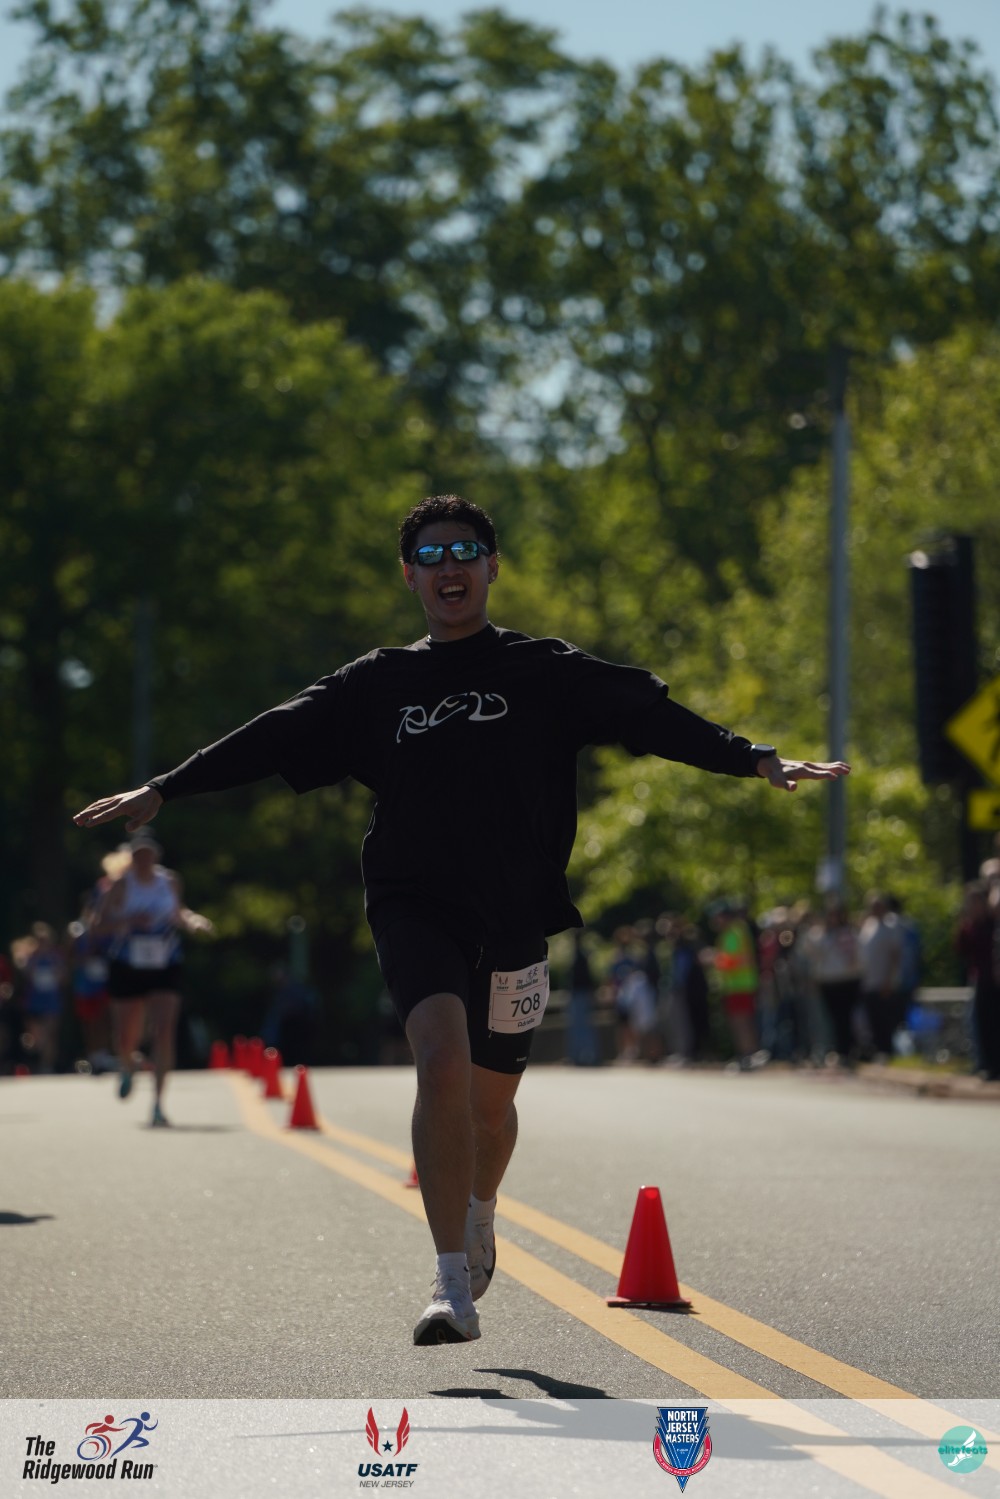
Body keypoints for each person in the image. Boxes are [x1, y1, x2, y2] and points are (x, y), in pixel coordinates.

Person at [73, 492, 850, 1345]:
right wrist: (166, 788)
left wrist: (755, 758)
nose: (450, 569)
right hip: (412, 899)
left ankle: (482, 1206)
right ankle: (450, 1284)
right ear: (409, 576)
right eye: (432, 557)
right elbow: (275, 733)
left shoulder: (543, 670)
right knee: (440, 1064)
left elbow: (650, 717)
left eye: (465, 552)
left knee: (489, 1110)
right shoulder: (379, 682)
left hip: (516, 909)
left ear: (492, 566)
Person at [90, 832, 213, 1125]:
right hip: (127, 963)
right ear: (131, 857)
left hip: (164, 961)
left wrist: (194, 921)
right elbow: (97, 926)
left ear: (156, 856)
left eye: (149, 854)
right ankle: (128, 1063)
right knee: (125, 1037)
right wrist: (128, 921)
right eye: (138, 855)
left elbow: (179, 912)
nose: (144, 860)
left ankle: (158, 1103)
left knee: (164, 1031)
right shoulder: (121, 885)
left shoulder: (169, 881)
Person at [956, 880, 1000, 1081]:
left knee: (995, 1023)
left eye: (976, 902)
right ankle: (986, 1064)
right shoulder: (970, 927)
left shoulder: (993, 925)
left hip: (995, 980)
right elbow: (961, 950)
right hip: (980, 979)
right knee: (982, 1023)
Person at [13, 922, 67, 1073]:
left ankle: (46, 1065)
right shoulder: (30, 956)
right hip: (34, 1001)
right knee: (36, 1036)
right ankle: (36, 1059)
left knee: (51, 1035)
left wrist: (57, 972)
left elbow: (63, 977)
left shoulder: (56, 956)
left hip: (51, 1001)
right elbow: (25, 973)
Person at [858, 891, 904, 1060]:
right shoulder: (868, 926)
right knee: (872, 1019)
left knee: (885, 1019)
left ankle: (887, 1050)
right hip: (868, 981)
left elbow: (895, 956)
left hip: (884, 981)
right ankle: (877, 1050)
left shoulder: (891, 926)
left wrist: (889, 980)